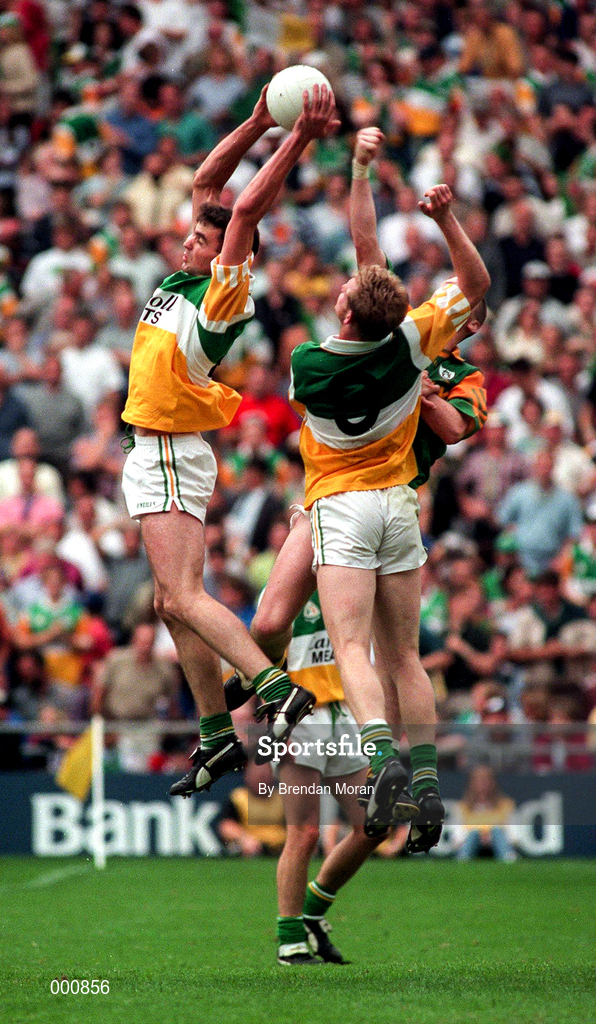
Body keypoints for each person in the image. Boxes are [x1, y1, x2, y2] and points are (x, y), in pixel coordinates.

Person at [226, 128, 489, 854]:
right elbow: (464, 288)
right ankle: (427, 777)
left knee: (350, 648)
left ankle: (381, 761)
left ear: (346, 312)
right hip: (401, 505)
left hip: (339, 506)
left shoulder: (308, 364)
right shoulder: (416, 342)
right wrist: (385, 182)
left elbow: (368, 271)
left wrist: (363, 169)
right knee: (401, 655)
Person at [121, 85, 339, 797]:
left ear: (226, 256)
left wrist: (299, 137)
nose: (189, 236)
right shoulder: (186, 276)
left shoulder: (221, 292)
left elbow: (241, 209)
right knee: (168, 602)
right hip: (155, 450)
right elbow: (210, 184)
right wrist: (253, 121)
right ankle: (217, 737)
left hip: (169, 448)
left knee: (183, 598)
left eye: (202, 239)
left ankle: (273, 685)